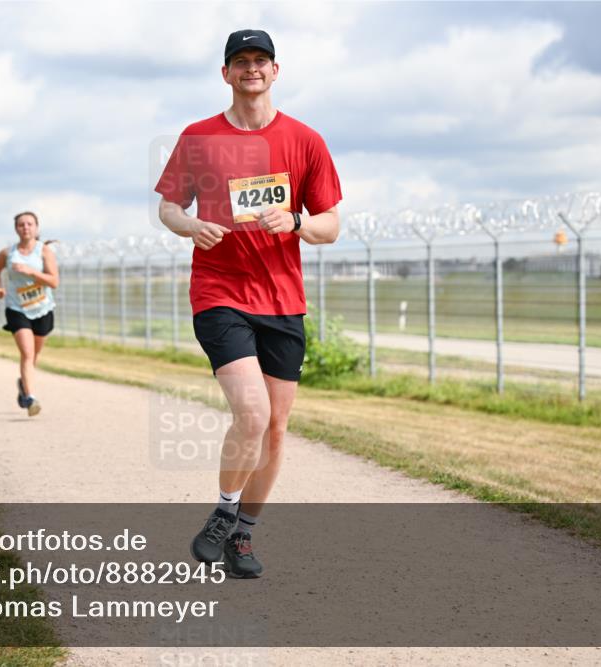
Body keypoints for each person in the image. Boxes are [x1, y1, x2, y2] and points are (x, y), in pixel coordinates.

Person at [155, 29, 341, 578]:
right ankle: (223, 510)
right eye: (241, 61)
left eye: (260, 60)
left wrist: (300, 222)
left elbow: (331, 224)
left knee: (277, 428)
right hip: (220, 293)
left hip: (283, 300)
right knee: (252, 413)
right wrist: (190, 225)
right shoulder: (199, 137)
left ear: (275, 71)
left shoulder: (305, 141)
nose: (251, 69)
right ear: (226, 74)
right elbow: (168, 207)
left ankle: (243, 536)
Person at [0, 211, 59, 417]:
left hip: (42, 308)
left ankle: (23, 384)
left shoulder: (44, 251)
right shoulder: (7, 253)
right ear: (16, 229)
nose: (25, 227)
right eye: (21, 224)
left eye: (29, 224)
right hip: (17, 308)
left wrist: (31, 272)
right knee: (27, 354)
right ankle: (30, 398)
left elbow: (54, 282)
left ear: (36, 228)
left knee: (34, 356)